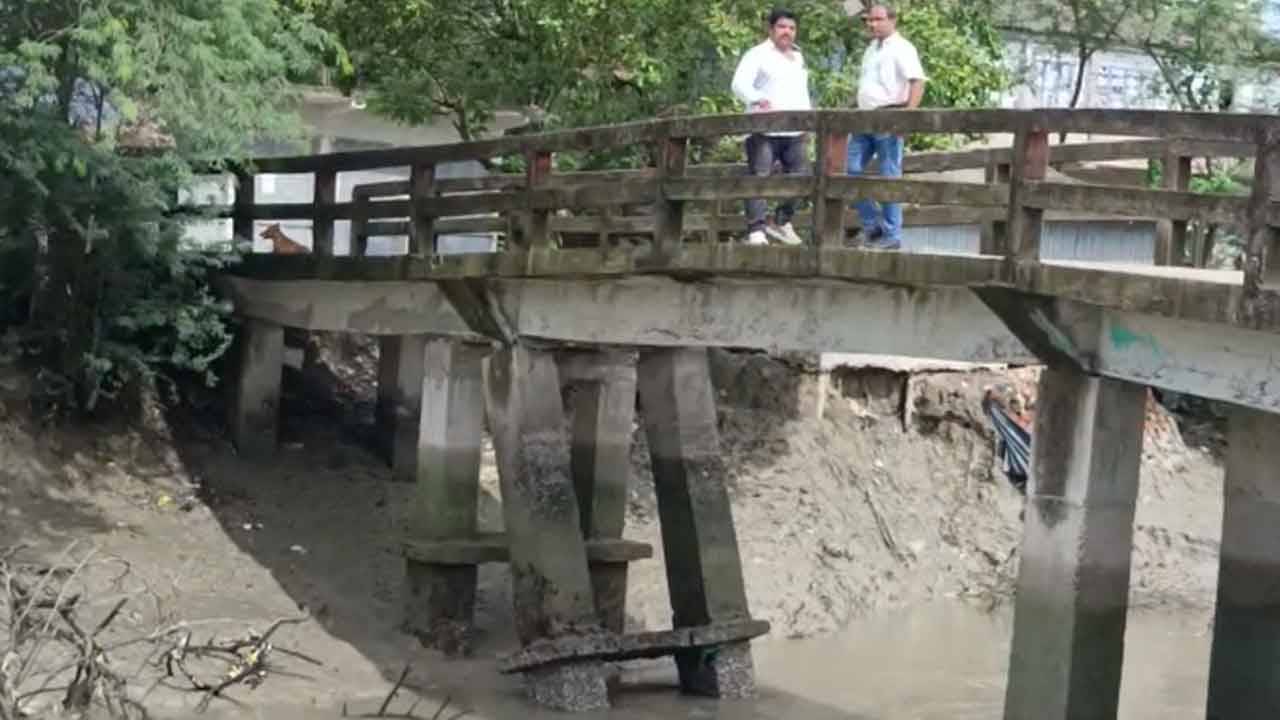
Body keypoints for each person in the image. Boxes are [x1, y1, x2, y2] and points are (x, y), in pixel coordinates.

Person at [731, 8, 812, 246]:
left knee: (803, 178)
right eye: (782, 27)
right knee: (759, 178)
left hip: (794, 129)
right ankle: (756, 230)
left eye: (791, 28)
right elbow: (739, 84)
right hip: (763, 128)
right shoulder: (757, 54)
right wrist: (757, 98)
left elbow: (801, 92)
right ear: (771, 29)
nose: (787, 32)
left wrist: (807, 120)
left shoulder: (798, 57)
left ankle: (781, 220)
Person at [848, 3, 925, 250]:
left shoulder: (903, 48)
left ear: (892, 20)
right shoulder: (872, 48)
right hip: (864, 118)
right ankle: (873, 226)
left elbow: (917, 81)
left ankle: (891, 234)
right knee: (849, 171)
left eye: (878, 20)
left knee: (890, 175)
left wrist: (907, 119)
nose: (872, 24)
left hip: (890, 117)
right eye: (869, 20)